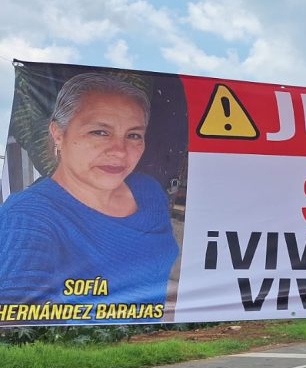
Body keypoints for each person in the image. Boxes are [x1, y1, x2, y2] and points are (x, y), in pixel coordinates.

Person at [0, 72, 178, 313]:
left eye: (133, 135)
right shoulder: (28, 217)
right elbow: (17, 320)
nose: (119, 151)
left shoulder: (148, 191)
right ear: (58, 134)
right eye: (100, 132)